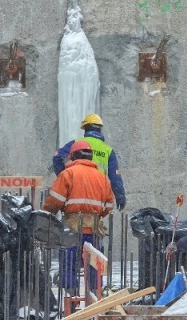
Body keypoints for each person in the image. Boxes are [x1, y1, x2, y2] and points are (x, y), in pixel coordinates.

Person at [43, 140, 115, 294]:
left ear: (73, 156)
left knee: (69, 264)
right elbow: (109, 205)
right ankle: (95, 296)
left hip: (72, 228)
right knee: (94, 265)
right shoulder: (102, 177)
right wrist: (96, 214)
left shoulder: (68, 174)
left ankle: (71, 298)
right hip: (94, 228)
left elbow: (55, 201)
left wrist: (46, 214)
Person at [52, 114, 126, 210]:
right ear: (100, 129)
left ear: (85, 128)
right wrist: (120, 196)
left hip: (77, 190)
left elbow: (57, 157)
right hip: (97, 194)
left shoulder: (77, 143)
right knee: (94, 221)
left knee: (74, 218)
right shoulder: (108, 150)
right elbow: (115, 176)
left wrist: (63, 177)